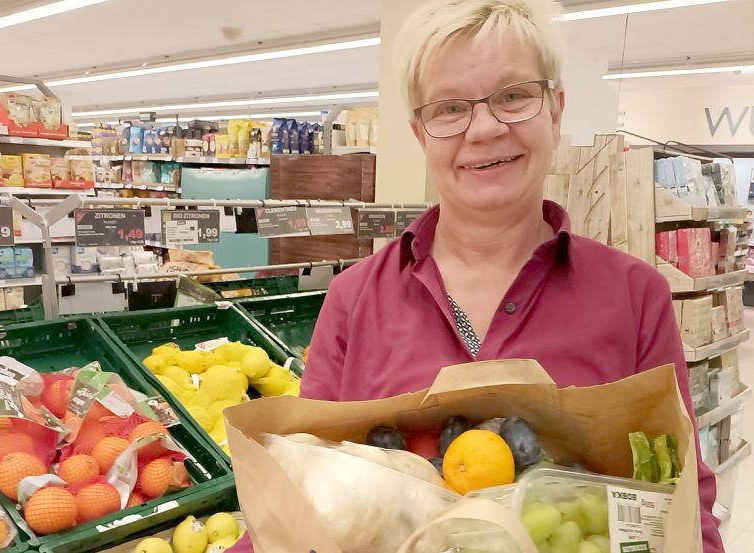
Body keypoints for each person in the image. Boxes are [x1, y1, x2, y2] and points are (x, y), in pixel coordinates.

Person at [231, 1, 724, 551]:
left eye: (513, 96)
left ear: (555, 111)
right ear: (421, 133)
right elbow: (301, 486)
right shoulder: (353, 299)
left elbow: (683, 505)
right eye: (449, 108)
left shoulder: (634, 298)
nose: (485, 128)